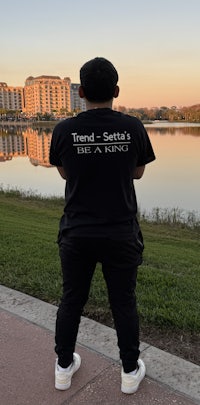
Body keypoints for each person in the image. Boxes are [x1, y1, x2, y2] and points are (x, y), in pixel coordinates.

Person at [49, 57, 156, 394]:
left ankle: (63, 367)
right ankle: (129, 372)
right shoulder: (134, 127)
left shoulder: (64, 130)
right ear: (116, 90)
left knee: (72, 300)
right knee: (123, 301)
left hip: (77, 232)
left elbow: (65, 172)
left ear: (80, 92)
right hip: (120, 232)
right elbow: (137, 172)